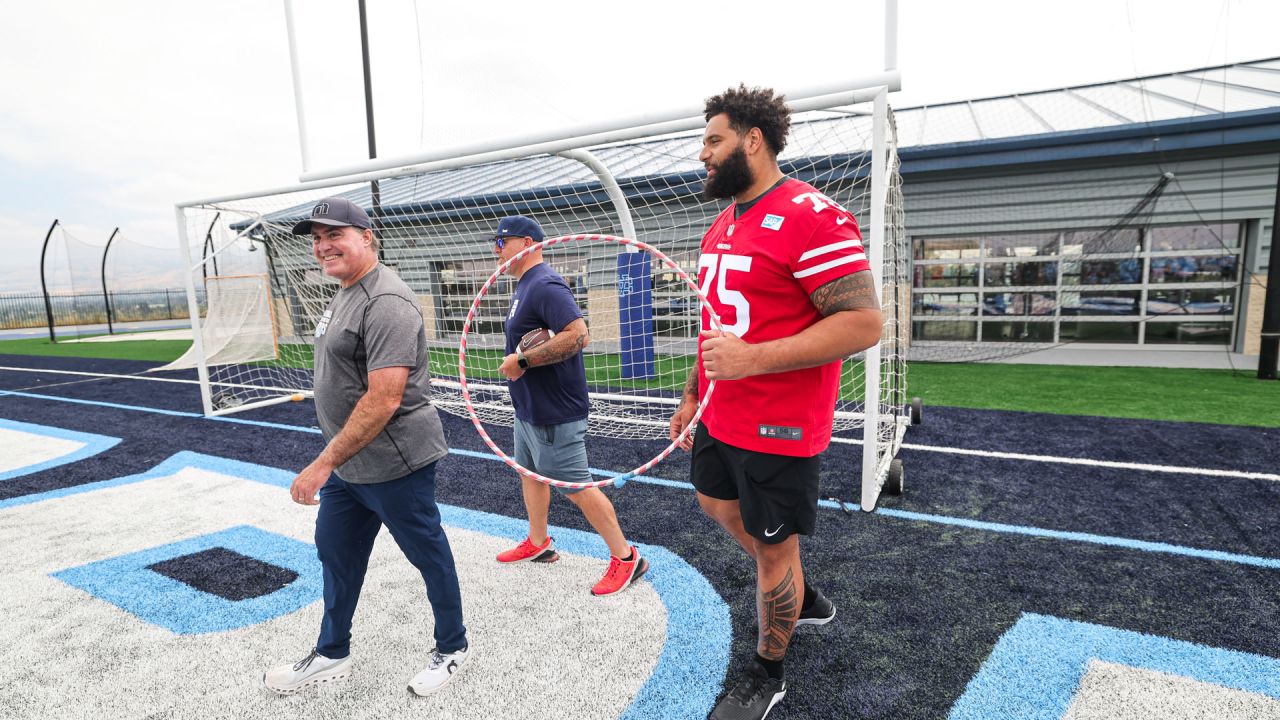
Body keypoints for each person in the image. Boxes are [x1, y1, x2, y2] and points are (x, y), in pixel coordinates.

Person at [668, 86, 884, 720]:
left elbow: (865, 324)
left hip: (779, 424)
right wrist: (691, 393)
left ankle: (768, 673)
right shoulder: (721, 223)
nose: (702, 154)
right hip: (721, 412)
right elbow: (716, 325)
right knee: (713, 502)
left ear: (752, 140)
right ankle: (801, 590)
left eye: (714, 140)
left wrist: (754, 359)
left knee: (772, 548)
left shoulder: (813, 215)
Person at [263, 197, 470, 697]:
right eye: (315, 238)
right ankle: (332, 652)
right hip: (350, 468)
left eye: (333, 234)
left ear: (366, 237)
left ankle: (453, 646)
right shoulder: (346, 291)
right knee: (335, 553)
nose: (322, 246)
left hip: (394, 462)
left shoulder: (387, 301)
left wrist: (322, 463)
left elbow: (384, 398)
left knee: (426, 553)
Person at [490, 214, 649, 597]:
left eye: (501, 243)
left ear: (526, 243)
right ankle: (539, 542)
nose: (495, 252)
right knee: (529, 473)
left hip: (555, 411)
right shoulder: (523, 285)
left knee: (575, 486)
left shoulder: (544, 283)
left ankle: (627, 558)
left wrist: (523, 361)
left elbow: (579, 336)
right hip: (529, 408)